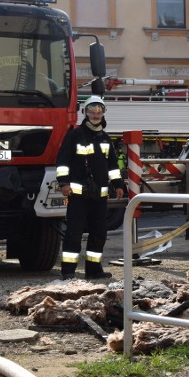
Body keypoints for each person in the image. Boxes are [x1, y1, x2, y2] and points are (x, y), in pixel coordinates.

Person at [56, 96, 125, 280]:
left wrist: (118, 185)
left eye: (99, 111)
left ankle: (94, 270)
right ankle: (68, 272)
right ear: (85, 112)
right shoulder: (75, 135)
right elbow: (63, 160)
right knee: (74, 233)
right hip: (78, 195)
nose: (96, 114)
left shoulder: (105, 137)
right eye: (92, 111)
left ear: (103, 113)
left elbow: (112, 165)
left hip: (99, 196)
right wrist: (64, 183)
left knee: (99, 233)